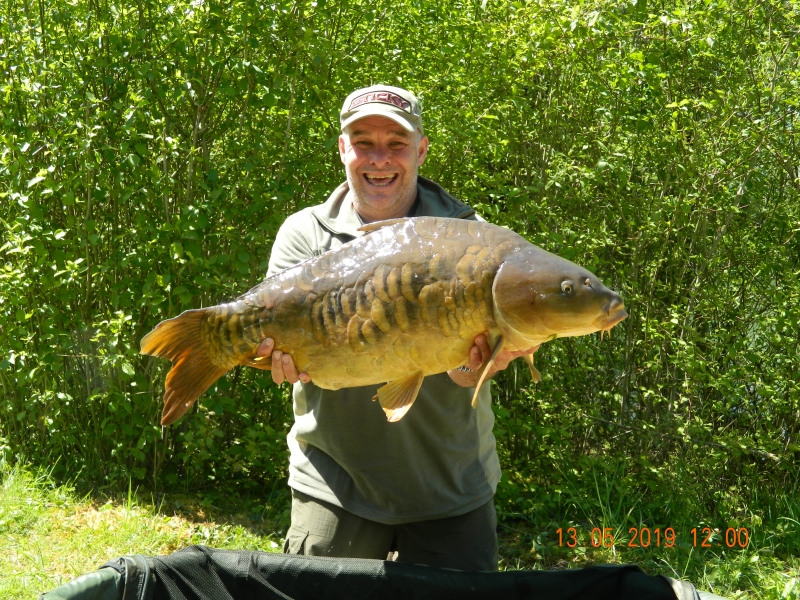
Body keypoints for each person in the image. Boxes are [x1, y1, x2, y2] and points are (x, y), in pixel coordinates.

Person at [252, 85, 536, 571]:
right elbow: (282, 346)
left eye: (397, 143)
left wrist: (476, 369)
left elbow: (466, 376)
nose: (379, 159)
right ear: (343, 148)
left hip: (450, 483)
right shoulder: (306, 233)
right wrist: (277, 360)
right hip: (335, 480)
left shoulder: (472, 239)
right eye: (363, 142)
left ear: (421, 149)